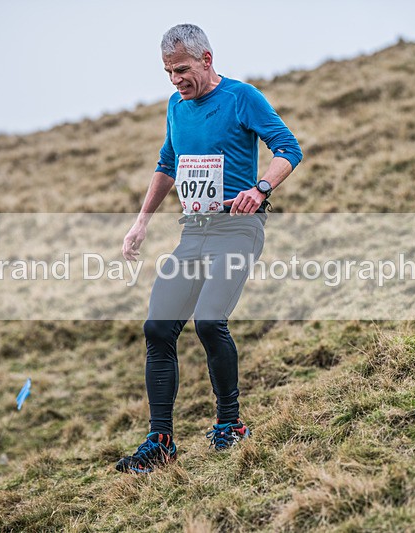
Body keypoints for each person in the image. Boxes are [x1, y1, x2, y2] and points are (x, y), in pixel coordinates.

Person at [116, 23, 302, 474]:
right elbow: (167, 164)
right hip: (193, 233)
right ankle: (160, 441)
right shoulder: (176, 108)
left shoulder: (242, 97)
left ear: (207, 59)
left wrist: (259, 189)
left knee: (209, 321)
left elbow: (288, 148)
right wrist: (141, 222)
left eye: (182, 69)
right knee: (158, 328)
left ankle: (230, 425)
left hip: (238, 230)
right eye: (168, 72)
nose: (176, 80)